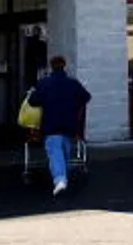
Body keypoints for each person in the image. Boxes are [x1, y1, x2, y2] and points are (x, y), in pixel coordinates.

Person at [27, 56, 91, 196]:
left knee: (55, 151)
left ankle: (60, 180)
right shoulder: (72, 83)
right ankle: (62, 177)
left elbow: (33, 101)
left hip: (51, 123)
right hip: (69, 123)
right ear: (64, 66)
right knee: (64, 151)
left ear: (51, 66)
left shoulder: (44, 83)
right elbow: (86, 97)